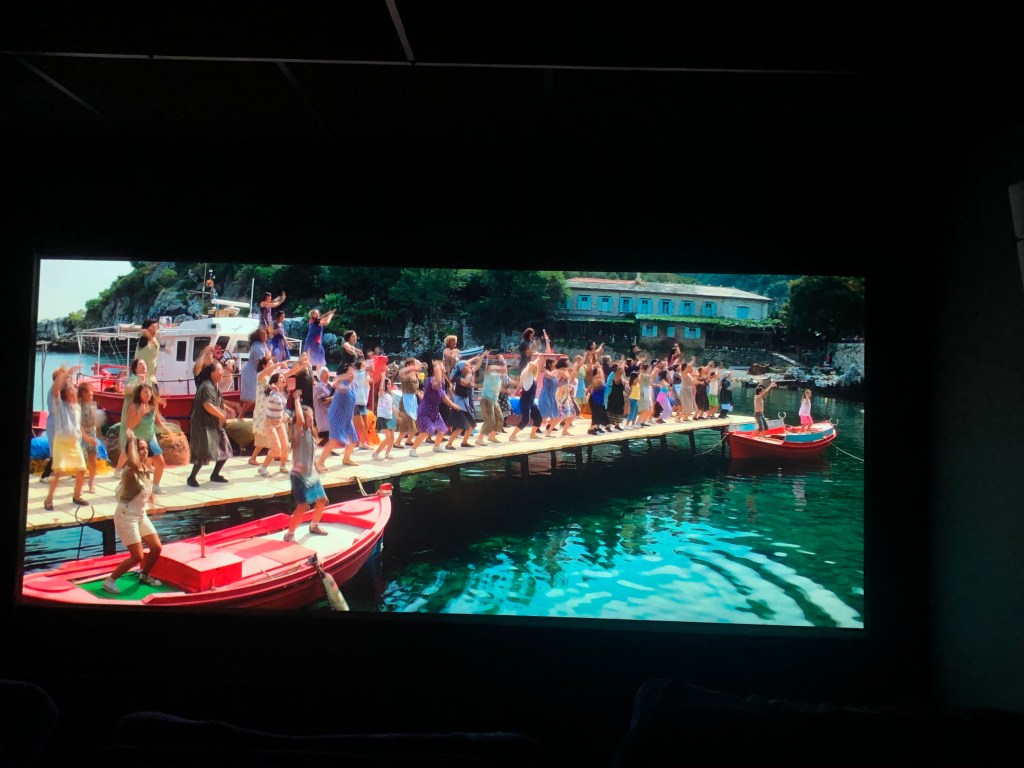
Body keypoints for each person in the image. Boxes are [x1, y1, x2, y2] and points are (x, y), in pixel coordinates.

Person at [102, 428, 163, 594]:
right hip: (126, 516)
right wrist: (130, 440)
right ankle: (110, 581)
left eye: (145, 448)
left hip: (140, 515)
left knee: (156, 547)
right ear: (133, 451)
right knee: (137, 556)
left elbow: (145, 491)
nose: (144, 451)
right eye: (140, 448)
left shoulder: (145, 469)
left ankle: (144, 575)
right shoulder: (130, 469)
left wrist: (152, 503)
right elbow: (135, 463)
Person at [284, 390, 329, 543]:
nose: (311, 419)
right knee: (303, 506)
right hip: (299, 476)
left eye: (311, 416)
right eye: (308, 417)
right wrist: (296, 400)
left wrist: (316, 464)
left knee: (322, 500)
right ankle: (289, 535)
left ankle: (314, 526)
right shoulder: (299, 432)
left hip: (311, 475)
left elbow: (310, 452)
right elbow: (300, 419)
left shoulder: (310, 432)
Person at [43, 364, 88, 510]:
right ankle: (49, 499)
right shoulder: (60, 404)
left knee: (81, 470)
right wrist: (67, 372)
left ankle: (77, 496)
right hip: (61, 442)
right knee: (58, 472)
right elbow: (56, 389)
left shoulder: (76, 407)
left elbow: (78, 426)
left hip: (74, 442)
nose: (73, 393)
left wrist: (86, 437)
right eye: (71, 392)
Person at [187, 360, 232, 487]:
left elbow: (216, 401)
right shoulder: (206, 386)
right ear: (212, 373)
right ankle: (191, 478)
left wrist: (227, 409)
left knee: (225, 448)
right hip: (202, 425)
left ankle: (215, 474)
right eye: (219, 370)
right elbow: (207, 405)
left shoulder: (214, 385)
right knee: (202, 452)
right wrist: (221, 415)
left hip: (214, 424)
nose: (222, 372)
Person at [410, 360, 462, 456]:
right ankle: (413, 449)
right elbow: (439, 391)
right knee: (427, 431)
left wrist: (452, 405)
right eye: (439, 366)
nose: (442, 367)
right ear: (433, 370)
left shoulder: (441, 380)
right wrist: (453, 405)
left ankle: (436, 446)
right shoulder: (431, 379)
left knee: (442, 429)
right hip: (425, 410)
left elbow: (442, 396)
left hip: (434, 410)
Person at [124, 383, 168, 494]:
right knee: (136, 468)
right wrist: (140, 414)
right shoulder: (133, 407)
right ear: (139, 394)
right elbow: (130, 426)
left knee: (160, 463)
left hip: (150, 439)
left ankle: (156, 486)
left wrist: (170, 432)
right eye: (145, 392)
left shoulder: (153, 406)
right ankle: (131, 488)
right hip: (138, 442)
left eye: (149, 392)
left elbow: (157, 422)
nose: (148, 394)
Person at [317, 362, 360, 470]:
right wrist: (342, 378)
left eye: (353, 371)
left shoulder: (354, 385)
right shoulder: (341, 383)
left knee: (353, 439)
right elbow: (337, 383)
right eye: (350, 371)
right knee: (334, 440)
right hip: (336, 416)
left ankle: (346, 459)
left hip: (347, 417)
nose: (352, 373)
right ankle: (320, 462)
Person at [114, 358, 148, 477]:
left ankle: (142, 466)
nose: (144, 365)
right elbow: (127, 389)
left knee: (141, 440)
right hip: (131, 412)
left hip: (142, 412)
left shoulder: (147, 379)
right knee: (130, 441)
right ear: (135, 368)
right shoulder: (133, 378)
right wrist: (139, 386)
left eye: (144, 363)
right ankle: (118, 469)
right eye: (140, 364)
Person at [257, 370, 292, 477]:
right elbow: (279, 403)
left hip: (279, 422)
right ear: (275, 382)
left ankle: (282, 466)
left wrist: (288, 418)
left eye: (283, 377)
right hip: (270, 424)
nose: (283, 379)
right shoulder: (273, 393)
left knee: (285, 445)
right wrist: (276, 390)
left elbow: (281, 409)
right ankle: (262, 468)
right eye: (281, 377)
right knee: (276, 448)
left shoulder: (282, 393)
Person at [446, 355, 483, 449]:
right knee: (460, 427)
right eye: (466, 365)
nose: (469, 366)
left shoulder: (468, 374)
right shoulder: (458, 377)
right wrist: (470, 373)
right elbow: (466, 382)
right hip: (460, 405)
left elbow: (477, 366)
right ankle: (449, 444)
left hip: (467, 404)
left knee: (472, 425)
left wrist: (482, 356)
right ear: (462, 368)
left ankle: (464, 442)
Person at [508, 355, 543, 441]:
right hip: (525, 400)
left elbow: (520, 385)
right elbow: (532, 366)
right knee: (525, 420)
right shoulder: (527, 373)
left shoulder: (532, 377)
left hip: (531, 401)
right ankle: (512, 436)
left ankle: (532, 434)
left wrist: (515, 392)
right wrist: (538, 358)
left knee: (538, 417)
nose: (534, 367)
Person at [239, 326, 271, 419]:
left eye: (266, 334)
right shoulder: (257, 346)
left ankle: (258, 416)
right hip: (251, 373)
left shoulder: (263, 345)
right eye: (263, 334)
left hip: (258, 373)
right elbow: (260, 362)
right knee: (252, 397)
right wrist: (269, 356)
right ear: (258, 336)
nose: (265, 336)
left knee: (258, 396)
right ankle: (241, 416)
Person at [477, 354, 506, 445]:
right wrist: (500, 365)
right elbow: (490, 368)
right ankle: (479, 439)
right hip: (487, 399)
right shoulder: (491, 374)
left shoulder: (499, 377)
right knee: (489, 420)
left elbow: (497, 388)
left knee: (500, 418)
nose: (505, 370)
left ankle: (492, 436)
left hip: (494, 400)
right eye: (503, 368)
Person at [77, 382, 99, 493]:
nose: (90, 394)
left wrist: (97, 435)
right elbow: (78, 423)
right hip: (82, 435)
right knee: (82, 461)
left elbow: (95, 422)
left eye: (91, 392)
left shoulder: (94, 404)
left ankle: (91, 482)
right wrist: (84, 436)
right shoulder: (78, 406)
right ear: (82, 394)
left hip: (92, 433)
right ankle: (80, 485)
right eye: (87, 393)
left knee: (93, 460)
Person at [372, 375, 396, 460]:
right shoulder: (381, 394)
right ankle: (376, 453)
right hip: (382, 417)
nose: (389, 385)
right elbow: (381, 388)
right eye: (388, 384)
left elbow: (391, 407)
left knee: (392, 437)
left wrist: (397, 415)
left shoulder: (390, 395)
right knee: (388, 437)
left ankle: (387, 453)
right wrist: (382, 378)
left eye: (390, 384)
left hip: (389, 417)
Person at [536, 357, 561, 437]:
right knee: (545, 412)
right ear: (550, 364)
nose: (556, 364)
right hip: (546, 394)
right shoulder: (546, 372)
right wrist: (557, 369)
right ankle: (537, 426)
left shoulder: (555, 372)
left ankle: (550, 425)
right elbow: (550, 376)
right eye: (554, 363)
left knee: (555, 411)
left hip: (553, 394)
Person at [313, 366, 333, 446]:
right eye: (325, 372)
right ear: (320, 375)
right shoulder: (318, 386)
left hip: (330, 412)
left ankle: (327, 449)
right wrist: (334, 397)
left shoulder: (330, 385)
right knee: (325, 434)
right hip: (322, 412)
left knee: (331, 434)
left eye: (328, 372)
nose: (327, 374)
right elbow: (323, 401)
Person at [135, 318, 160, 384]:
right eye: (153, 327)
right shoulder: (144, 340)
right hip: (142, 380)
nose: (156, 329)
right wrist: (146, 332)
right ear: (147, 329)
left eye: (156, 327)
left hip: (152, 378)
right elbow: (142, 331)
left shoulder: (153, 339)